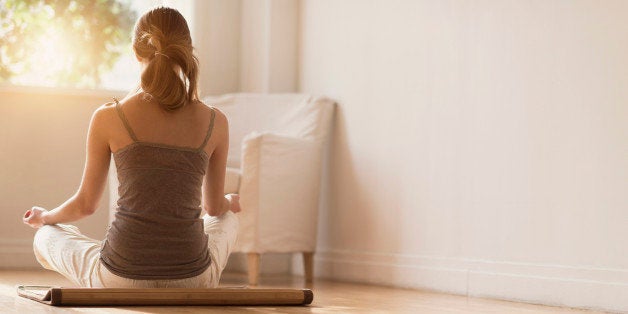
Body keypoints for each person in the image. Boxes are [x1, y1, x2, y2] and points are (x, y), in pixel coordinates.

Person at [22, 7, 240, 288]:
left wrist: (45, 217)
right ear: (185, 52)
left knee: (45, 235)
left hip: (118, 278)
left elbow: (85, 205)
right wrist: (230, 202)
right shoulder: (215, 120)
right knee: (227, 218)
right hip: (193, 280)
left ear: (137, 52)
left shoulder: (109, 116)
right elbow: (213, 207)